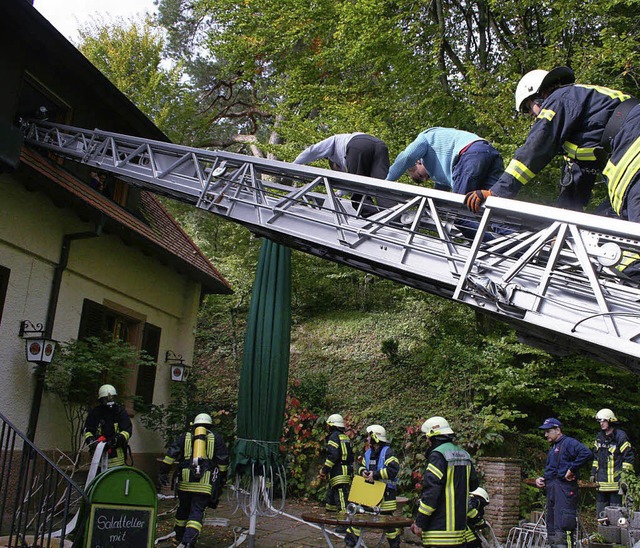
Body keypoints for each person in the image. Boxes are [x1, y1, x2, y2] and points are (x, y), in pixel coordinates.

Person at [464, 67, 640, 224]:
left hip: (633, 153)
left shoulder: (559, 98)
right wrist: (561, 225)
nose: (533, 117)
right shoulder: (583, 125)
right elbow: (575, 187)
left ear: (540, 95)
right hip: (627, 157)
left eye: (529, 107)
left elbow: (536, 147)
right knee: (609, 224)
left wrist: (497, 192)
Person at [158, 412, 229, 548]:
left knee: (183, 509)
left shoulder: (185, 437)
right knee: (197, 511)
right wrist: (222, 479)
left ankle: (178, 537)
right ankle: (188, 541)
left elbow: (171, 454)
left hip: (185, 482)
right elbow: (223, 462)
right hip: (205, 483)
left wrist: (163, 472)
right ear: (210, 425)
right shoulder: (217, 438)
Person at [411, 416, 479, 548]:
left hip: (439, 532)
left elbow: (431, 493)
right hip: (459, 532)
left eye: (427, 438)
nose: (427, 442)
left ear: (432, 436)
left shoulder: (437, 456)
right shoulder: (464, 454)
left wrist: (420, 522)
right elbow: (473, 485)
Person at [386, 127, 504, 196]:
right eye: (424, 180)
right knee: (491, 207)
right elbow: (441, 196)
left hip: (470, 154)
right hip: (490, 153)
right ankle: (509, 236)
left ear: (418, 162)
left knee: (460, 212)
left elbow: (406, 158)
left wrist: (385, 182)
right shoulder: (440, 176)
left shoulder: (425, 138)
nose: (426, 179)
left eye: (420, 175)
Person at [293, 133, 394, 213]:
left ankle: (372, 218)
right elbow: (347, 180)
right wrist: (339, 193)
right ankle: (394, 217)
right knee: (382, 187)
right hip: (380, 145)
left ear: (335, 164)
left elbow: (312, 151)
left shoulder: (334, 141)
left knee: (357, 192)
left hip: (358, 144)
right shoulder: (346, 155)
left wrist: (294, 164)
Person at [534, 417, 592, 548]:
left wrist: (572, 469)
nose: (545, 435)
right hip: (552, 491)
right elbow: (551, 470)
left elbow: (586, 453)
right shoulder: (553, 448)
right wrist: (541, 479)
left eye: (548, 431)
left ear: (557, 430)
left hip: (565, 491)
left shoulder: (569, 443)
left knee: (564, 526)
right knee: (552, 527)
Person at [345, 424, 401, 548]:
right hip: (369, 494)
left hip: (386, 496)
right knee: (357, 518)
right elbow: (361, 467)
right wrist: (363, 472)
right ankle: (350, 543)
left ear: (376, 437)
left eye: (370, 436)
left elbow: (393, 470)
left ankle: (395, 545)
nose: (367, 439)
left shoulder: (388, 452)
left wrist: (375, 474)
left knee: (389, 524)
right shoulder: (368, 453)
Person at [590, 408, 635, 516]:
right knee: (601, 515)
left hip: (616, 484)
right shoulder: (599, 437)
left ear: (611, 421)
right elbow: (596, 458)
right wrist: (593, 473)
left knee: (615, 515)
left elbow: (628, 457)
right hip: (601, 484)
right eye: (600, 421)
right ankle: (601, 533)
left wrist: (625, 477)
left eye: (604, 421)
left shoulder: (621, 436)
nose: (601, 423)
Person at [83, 384, 132, 468]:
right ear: (101, 399)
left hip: (117, 459)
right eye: (107, 398)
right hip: (97, 458)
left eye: (112, 397)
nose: (110, 400)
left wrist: (115, 441)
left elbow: (127, 431)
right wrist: (93, 442)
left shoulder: (120, 412)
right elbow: (88, 431)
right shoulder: (95, 413)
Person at [318, 413, 353, 514]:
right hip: (345, 471)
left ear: (331, 425)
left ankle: (345, 523)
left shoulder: (333, 437)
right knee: (331, 498)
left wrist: (324, 470)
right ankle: (331, 519)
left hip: (338, 472)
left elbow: (333, 456)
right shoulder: (345, 437)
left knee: (341, 500)